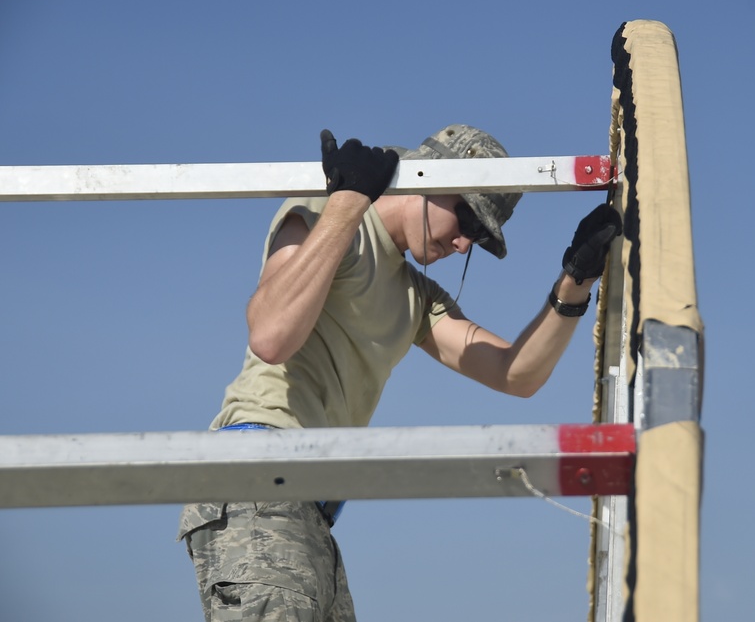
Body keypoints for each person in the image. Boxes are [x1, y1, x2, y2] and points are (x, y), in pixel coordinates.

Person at [178, 124, 622, 621]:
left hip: (311, 513)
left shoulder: (415, 296)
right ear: (426, 177)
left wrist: (575, 281)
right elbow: (271, 336)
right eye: (467, 218)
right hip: (256, 482)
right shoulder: (327, 214)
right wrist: (348, 201)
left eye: (477, 237)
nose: (463, 244)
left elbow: (514, 375)